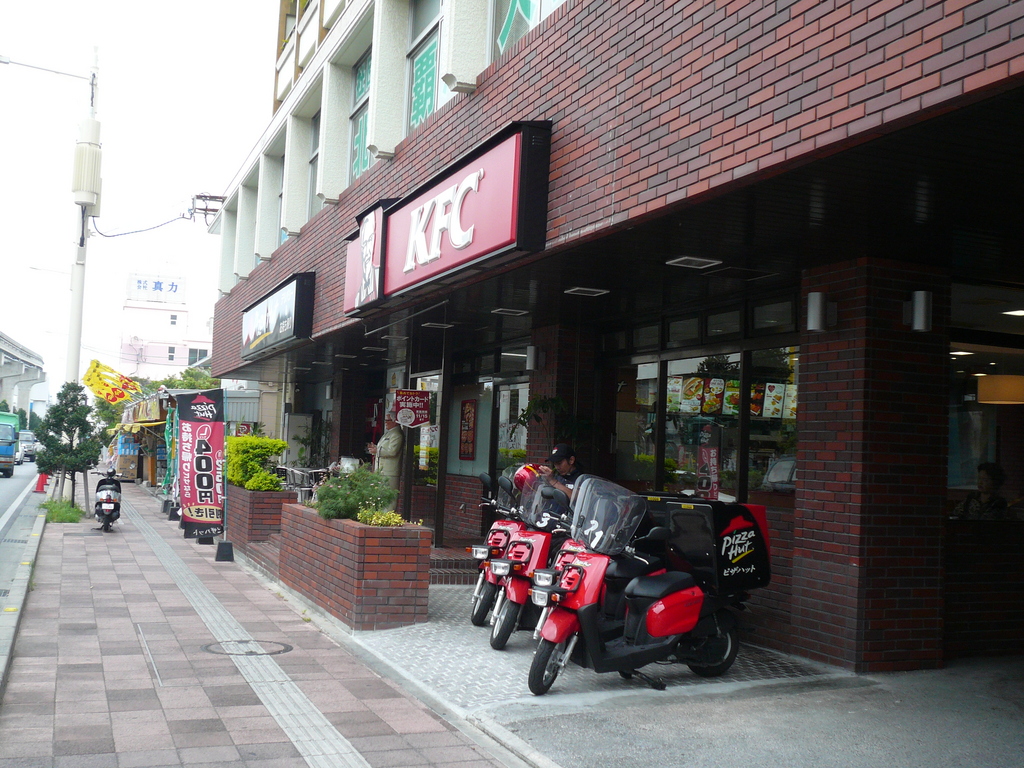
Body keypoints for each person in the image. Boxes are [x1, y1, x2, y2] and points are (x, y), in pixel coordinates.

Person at [367, 411, 404, 490]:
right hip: (382, 471)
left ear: (394, 421)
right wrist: (375, 448)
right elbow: (384, 448)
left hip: (389, 472)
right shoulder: (389, 433)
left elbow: (392, 452)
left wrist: (377, 451)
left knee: (388, 494)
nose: (385, 422)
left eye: (387, 420)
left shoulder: (397, 434)